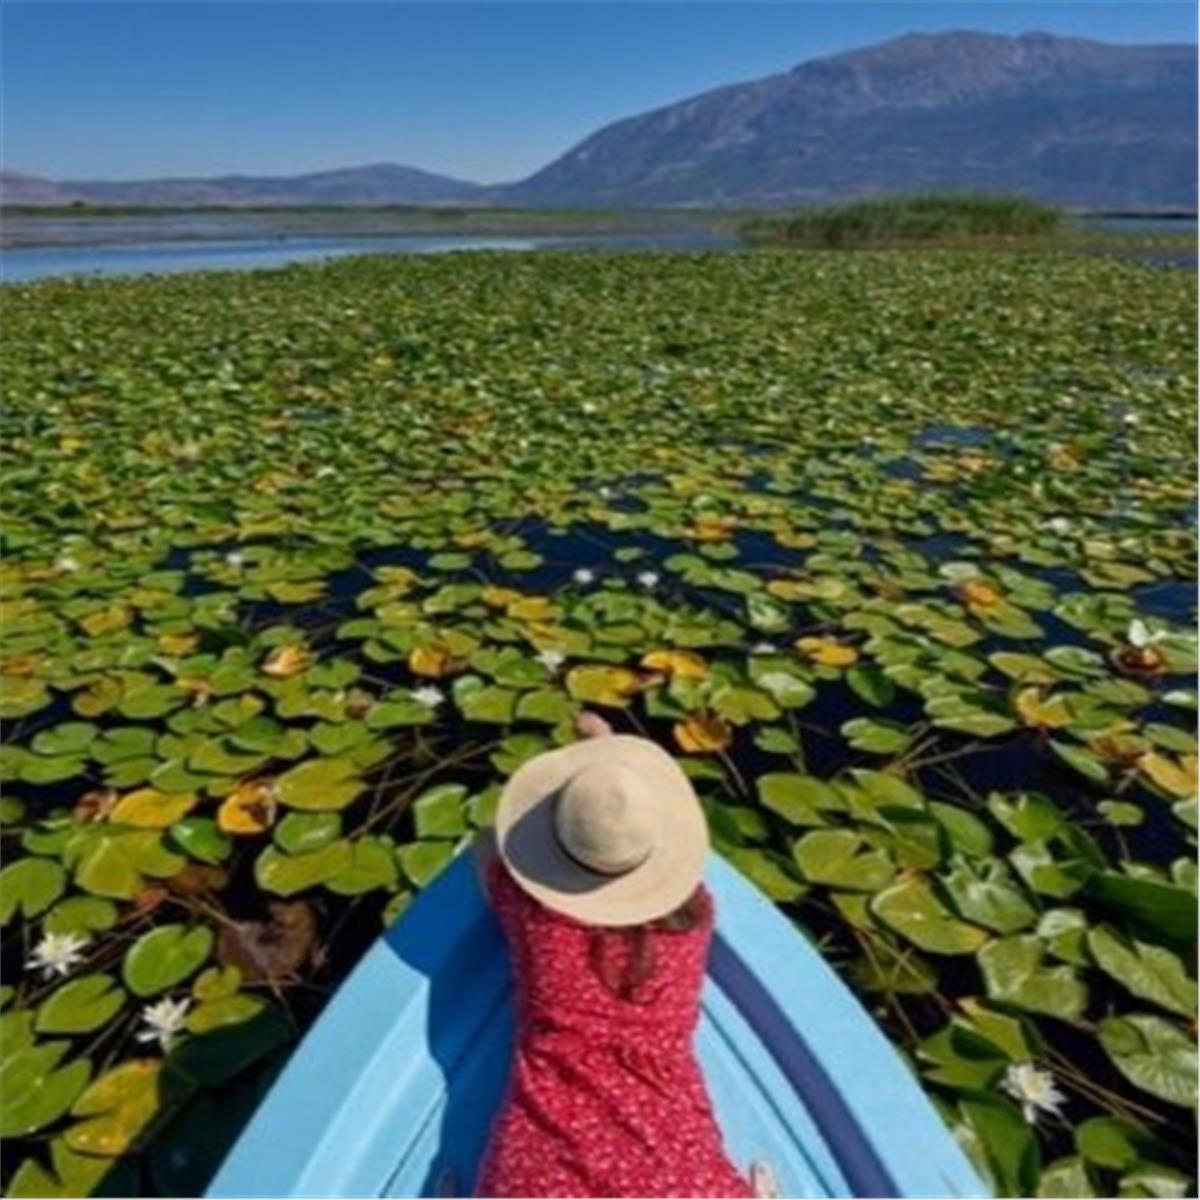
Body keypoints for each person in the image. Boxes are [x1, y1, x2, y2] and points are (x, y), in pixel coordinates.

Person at [471, 711, 775, 1199]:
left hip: (541, 1175)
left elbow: (488, 846)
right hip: (673, 1177)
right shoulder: (695, 916)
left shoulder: (532, 916)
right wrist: (609, 765)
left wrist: (571, 794)